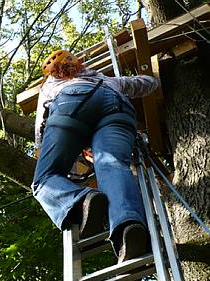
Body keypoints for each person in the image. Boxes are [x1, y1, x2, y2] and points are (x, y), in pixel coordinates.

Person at [32, 49, 160, 263]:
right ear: (78, 64)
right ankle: (128, 225)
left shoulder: (48, 87)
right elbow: (143, 83)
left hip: (71, 102)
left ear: (53, 73)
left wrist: (44, 149)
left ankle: (82, 200)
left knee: (44, 179)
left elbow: (40, 127)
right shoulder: (105, 78)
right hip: (117, 106)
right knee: (113, 165)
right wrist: (153, 79)